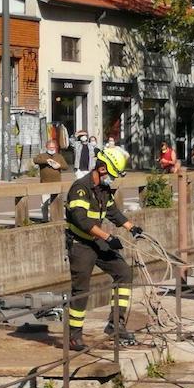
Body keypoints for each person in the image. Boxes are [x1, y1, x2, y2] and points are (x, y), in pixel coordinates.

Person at [64, 146, 143, 351]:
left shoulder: (103, 190)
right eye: (112, 174)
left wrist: (131, 227)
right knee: (81, 289)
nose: (113, 179)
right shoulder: (80, 188)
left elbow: (112, 212)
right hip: (80, 243)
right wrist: (108, 237)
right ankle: (74, 336)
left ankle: (115, 324)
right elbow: (81, 221)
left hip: (97, 240)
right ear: (101, 168)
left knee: (124, 272)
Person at [32, 140, 68, 221]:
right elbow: (35, 160)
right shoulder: (42, 155)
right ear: (47, 147)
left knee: (56, 201)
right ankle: (44, 218)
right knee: (44, 202)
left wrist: (59, 166)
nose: (52, 149)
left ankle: (56, 218)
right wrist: (46, 161)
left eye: (53, 147)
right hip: (45, 182)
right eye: (50, 147)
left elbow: (66, 167)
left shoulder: (59, 156)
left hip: (57, 182)